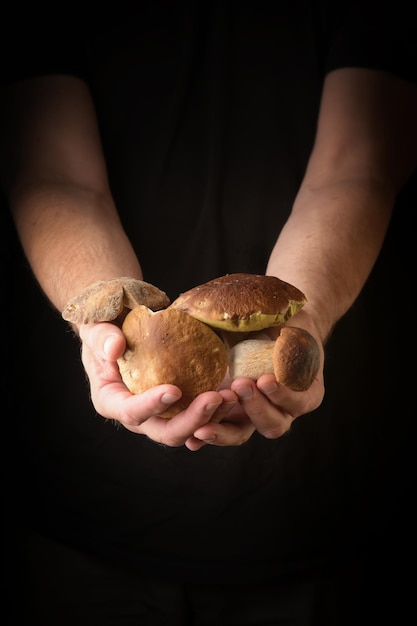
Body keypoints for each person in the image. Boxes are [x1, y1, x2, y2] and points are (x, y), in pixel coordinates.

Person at [2, 2, 416, 624]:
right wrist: (105, 313)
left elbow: (358, 164)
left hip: (315, 510)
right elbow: (52, 170)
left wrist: (303, 322)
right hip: (88, 510)